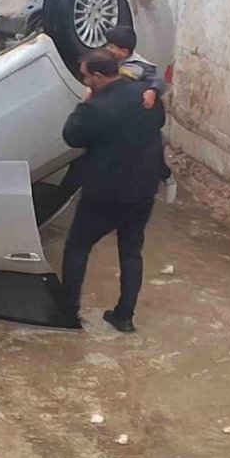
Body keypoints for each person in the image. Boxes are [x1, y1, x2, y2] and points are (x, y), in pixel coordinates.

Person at [60, 50, 165, 332]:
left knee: (77, 247)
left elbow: (71, 135)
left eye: (85, 76)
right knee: (131, 251)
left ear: (97, 76)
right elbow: (159, 123)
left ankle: (69, 313)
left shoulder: (95, 107)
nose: (84, 81)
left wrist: (83, 103)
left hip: (105, 195)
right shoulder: (145, 94)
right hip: (143, 189)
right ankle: (124, 316)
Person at [103, 25, 176, 203]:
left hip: (142, 121)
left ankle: (167, 178)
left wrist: (152, 92)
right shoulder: (109, 62)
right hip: (123, 120)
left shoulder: (140, 67)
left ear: (124, 51)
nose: (107, 49)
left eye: (111, 46)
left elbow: (158, 81)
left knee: (151, 154)